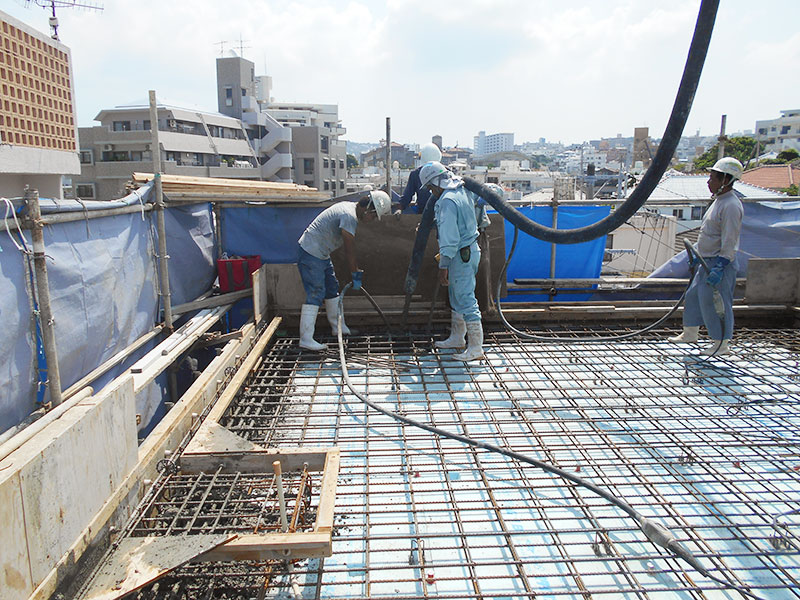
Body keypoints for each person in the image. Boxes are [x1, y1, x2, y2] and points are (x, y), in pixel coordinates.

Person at [296, 190, 391, 350]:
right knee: (316, 292)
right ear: (368, 209)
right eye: (374, 216)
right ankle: (306, 339)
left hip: (321, 253)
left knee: (332, 289)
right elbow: (349, 249)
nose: (372, 220)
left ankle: (338, 328)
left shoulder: (349, 209)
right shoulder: (349, 216)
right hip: (311, 252)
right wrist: (355, 273)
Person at [668, 157, 744, 356]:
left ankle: (721, 344)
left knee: (716, 303)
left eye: (713, 178)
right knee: (694, 296)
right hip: (705, 260)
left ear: (726, 180)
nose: (709, 182)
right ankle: (690, 333)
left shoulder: (731, 206)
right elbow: (708, 233)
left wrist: (721, 265)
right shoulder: (719, 202)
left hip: (719, 263)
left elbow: (730, 239)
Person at [419, 161, 484, 362]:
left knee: (465, 298)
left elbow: (449, 239)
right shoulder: (462, 191)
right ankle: (458, 338)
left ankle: (475, 347)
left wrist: (443, 265)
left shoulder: (446, 201)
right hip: (469, 250)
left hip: (460, 254)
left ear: (437, 182)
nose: (431, 191)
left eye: (430, 187)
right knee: (457, 296)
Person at [397, 143, 442, 215]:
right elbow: (407, 196)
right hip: (440, 212)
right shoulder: (445, 172)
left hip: (425, 213)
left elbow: (407, 195)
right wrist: (400, 208)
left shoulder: (416, 174)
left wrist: (400, 208)